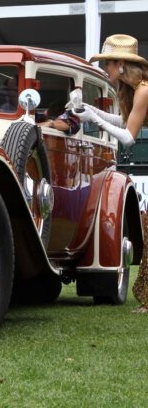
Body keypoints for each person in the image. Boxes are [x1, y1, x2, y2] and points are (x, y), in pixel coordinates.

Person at [78, 34, 148, 312]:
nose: (104, 69)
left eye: (107, 63)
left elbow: (128, 137)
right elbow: (122, 121)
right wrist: (92, 111)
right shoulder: (132, 90)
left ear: (121, 64)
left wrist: (94, 119)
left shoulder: (143, 89)